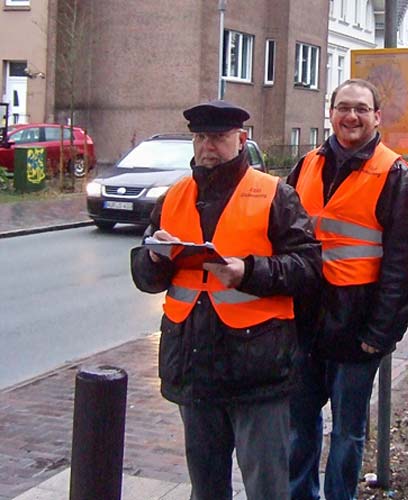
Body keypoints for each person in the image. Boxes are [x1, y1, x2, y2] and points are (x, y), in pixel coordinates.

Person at [130, 99, 321, 500]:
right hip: (194, 367)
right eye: (200, 137)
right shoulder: (175, 197)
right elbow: (145, 277)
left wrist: (248, 272)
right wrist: (151, 257)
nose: (207, 147)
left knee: (267, 487)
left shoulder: (274, 195)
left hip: (258, 370)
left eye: (217, 137)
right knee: (206, 490)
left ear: (240, 139)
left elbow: (308, 268)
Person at [286, 79, 408, 500]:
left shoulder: (395, 174)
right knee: (299, 427)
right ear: (330, 113)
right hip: (305, 321)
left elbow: (403, 265)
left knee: (347, 434)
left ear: (377, 117)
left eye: (362, 109)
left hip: (357, 327)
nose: (351, 116)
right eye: (344, 107)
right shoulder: (307, 164)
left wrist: (380, 335)